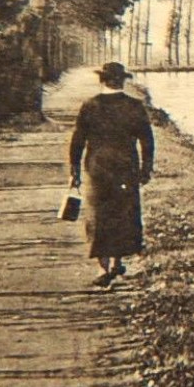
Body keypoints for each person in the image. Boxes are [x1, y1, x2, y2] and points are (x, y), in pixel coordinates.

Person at [68, 62, 155, 288]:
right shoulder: (135, 106)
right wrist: (146, 169)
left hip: (97, 169)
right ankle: (117, 262)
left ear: (102, 80)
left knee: (99, 216)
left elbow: (77, 141)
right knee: (123, 213)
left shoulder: (90, 106)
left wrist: (74, 171)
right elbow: (147, 141)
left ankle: (103, 268)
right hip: (126, 168)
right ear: (122, 81)